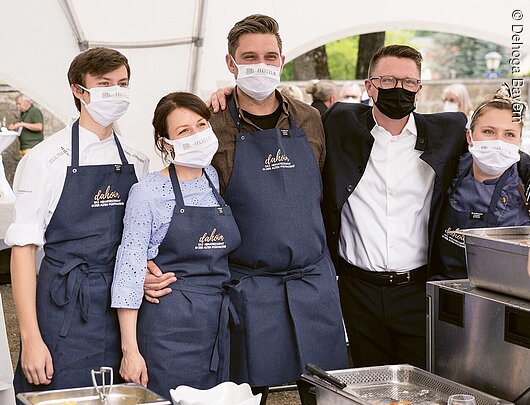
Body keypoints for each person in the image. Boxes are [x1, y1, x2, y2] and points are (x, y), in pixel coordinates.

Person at [147, 14, 348, 405]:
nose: (261, 65)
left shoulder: (310, 119)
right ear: (230, 63)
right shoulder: (212, 125)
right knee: (245, 395)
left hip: (313, 280)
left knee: (326, 394)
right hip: (249, 286)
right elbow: (177, 190)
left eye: (270, 56)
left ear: (282, 60)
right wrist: (144, 260)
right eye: (249, 56)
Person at [5, 47, 149, 394]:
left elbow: (141, 239)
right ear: (78, 90)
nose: (116, 92)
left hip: (122, 306)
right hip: (64, 305)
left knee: (121, 395)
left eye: (122, 84)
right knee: (61, 395)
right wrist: (31, 339)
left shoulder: (137, 160)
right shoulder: (44, 161)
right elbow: (23, 252)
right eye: (104, 84)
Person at [320, 44, 468, 369]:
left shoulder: (449, 131)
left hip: (418, 289)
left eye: (408, 82)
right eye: (387, 80)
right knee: (367, 384)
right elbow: (287, 112)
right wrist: (232, 95)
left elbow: (503, 146)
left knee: (422, 386)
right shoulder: (339, 122)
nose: (398, 89)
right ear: (369, 86)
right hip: (357, 291)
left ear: (419, 89)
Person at [111, 92, 241, 398]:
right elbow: (129, 271)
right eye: (184, 131)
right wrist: (130, 351)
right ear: (165, 143)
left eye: (200, 125)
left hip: (217, 321)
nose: (196, 136)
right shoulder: (147, 193)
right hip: (170, 327)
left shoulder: (212, 177)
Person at [432, 86, 530, 280]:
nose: (498, 142)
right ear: (469, 136)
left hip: (510, 294)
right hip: (446, 292)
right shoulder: (446, 171)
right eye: (488, 131)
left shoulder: (525, 184)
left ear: (519, 143)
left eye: (509, 134)